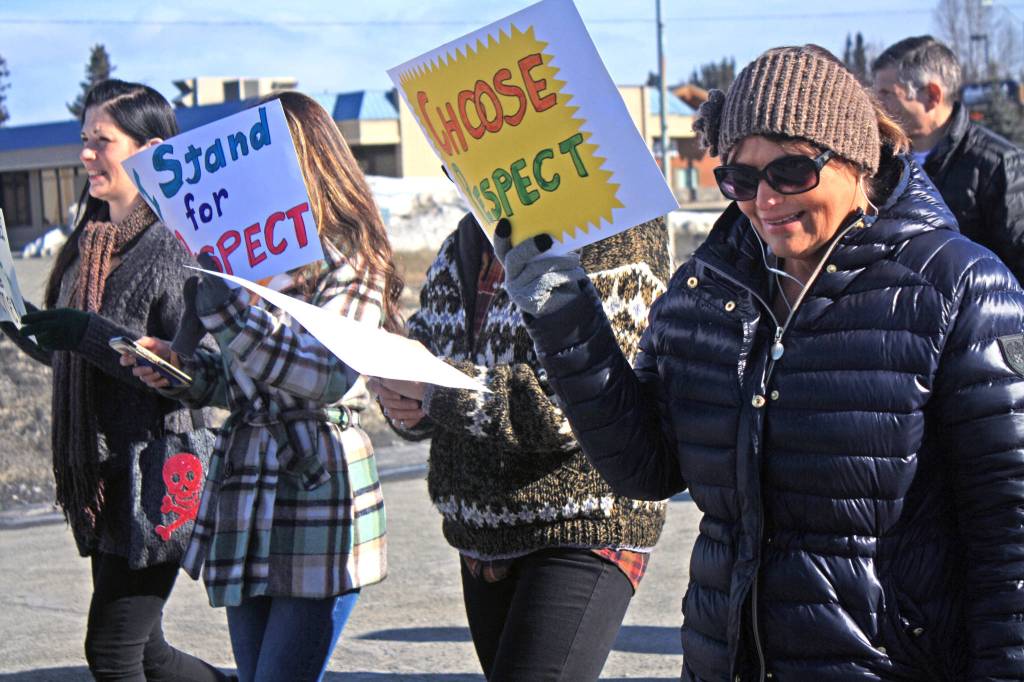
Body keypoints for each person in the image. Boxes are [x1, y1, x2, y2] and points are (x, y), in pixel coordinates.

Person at [496, 45, 1024, 681]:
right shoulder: (705, 293)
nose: (764, 199)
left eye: (792, 171)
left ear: (857, 160)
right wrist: (565, 317)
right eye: (740, 179)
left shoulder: (958, 288)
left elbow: (1010, 539)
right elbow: (645, 467)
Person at [124, 91, 401, 682]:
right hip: (245, 484)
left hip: (317, 483)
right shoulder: (247, 257)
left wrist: (225, 311)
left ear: (302, 159)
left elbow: (325, 373)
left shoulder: (350, 257)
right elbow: (244, 380)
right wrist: (186, 374)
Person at [370, 211, 669, 681]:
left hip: (583, 524)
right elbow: (427, 357)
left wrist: (434, 392)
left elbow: (571, 410)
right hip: (481, 531)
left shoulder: (615, 224)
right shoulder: (467, 238)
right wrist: (399, 398)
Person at [1, 80, 227, 681]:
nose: (85, 155)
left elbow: (192, 372)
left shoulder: (178, 245)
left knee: (112, 652)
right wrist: (28, 330)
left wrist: (84, 333)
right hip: (106, 484)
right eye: (84, 140)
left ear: (147, 150)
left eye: (101, 141)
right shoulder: (92, 243)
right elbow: (80, 359)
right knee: (148, 653)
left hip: (158, 477)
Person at [872, 35, 1024, 282]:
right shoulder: (882, 162)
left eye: (887, 93)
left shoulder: (999, 164)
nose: (877, 105)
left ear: (932, 95)